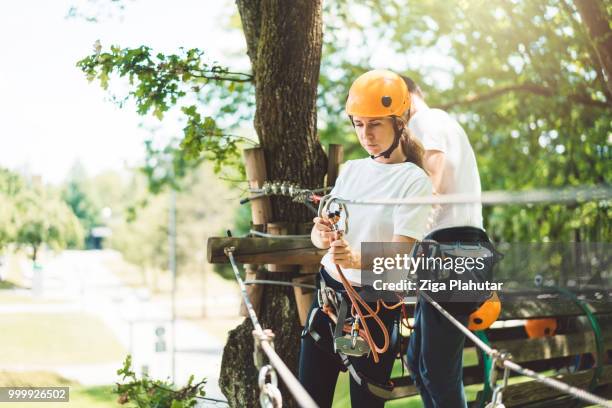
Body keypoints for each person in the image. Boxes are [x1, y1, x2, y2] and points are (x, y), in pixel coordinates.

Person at [298, 69, 432, 408]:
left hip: (373, 308)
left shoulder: (414, 181)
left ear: (399, 123)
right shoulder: (352, 171)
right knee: (307, 401)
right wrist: (322, 234)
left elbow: (402, 253)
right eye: (359, 124)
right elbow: (319, 237)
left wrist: (356, 259)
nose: (366, 134)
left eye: (375, 124)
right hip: (329, 298)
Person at [402, 75, 492, 408]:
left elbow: (436, 174)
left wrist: (415, 227)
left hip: (451, 249)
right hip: (452, 247)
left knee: (438, 371)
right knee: (418, 361)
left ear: (408, 98)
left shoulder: (426, 120)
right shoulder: (440, 122)